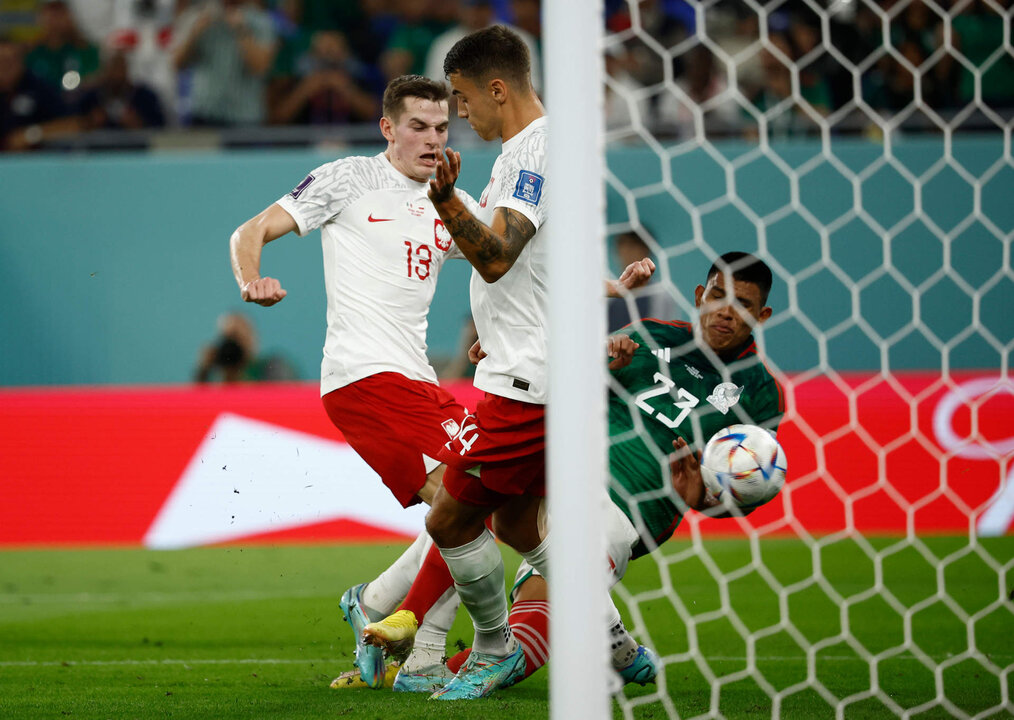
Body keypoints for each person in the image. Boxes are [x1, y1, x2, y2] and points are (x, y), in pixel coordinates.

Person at [359, 26, 656, 701]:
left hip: (526, 385)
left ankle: (493, 648)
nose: (461, 115)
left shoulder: (537, 150)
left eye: (463, 100)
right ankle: (610, 639)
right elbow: (529, 263)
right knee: (520, 523)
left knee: (450, 521)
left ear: (497, 88)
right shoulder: (534, 152)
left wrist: (444, 202)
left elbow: (498, 255)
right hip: (538, 366)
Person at [354, 252, 786, 691]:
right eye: (717, 295)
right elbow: (560, 366)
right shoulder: (648, 335)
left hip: (629, 511)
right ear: (700, 295)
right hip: (565, 470)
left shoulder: (762, 395)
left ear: (762, 314)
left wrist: (706, 500)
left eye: (743, 305)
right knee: (466, 508)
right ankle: (384, 614)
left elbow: (746, 487)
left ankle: (440, 669)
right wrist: (514, 348)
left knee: (546, 600)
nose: (725, 312)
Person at [228, 74, 480, 690]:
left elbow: (509, 261)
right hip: (365, 374)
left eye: (442, 127)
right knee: (484, 485)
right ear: (388, 129)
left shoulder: (449, 199)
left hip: (411, 379)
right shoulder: (349, 179)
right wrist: (251, 279)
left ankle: (376, 610)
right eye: (417, 126)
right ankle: (421, 646)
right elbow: (249, 231)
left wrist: (607, 286)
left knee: (465, 509)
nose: (431, 139)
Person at [172, 0, 277, 126]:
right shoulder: (195, 16)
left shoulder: (260, 21)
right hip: (202, 114)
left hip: (244, 119)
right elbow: (177, 64)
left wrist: (240, 29)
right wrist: (195, 33)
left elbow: (261, 67)